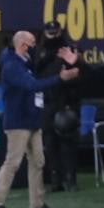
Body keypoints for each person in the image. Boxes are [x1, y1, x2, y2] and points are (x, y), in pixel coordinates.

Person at [0, 31, 78, 208]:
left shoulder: (25, 62)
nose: (34, 46)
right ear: (22, 44)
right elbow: (31, 86)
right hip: (17, 122)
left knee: (38, 161)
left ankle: (37, 203)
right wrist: (60, 79)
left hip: (32, 119)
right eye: (32, 42)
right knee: (12, 163)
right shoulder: (12, 66)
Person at [34, 21, 83, 192]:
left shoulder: (68, 49)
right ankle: (55, 179)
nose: (52, 35)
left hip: (66, 101)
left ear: (60, 31)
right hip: (47, 102)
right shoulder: (40, 51)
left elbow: (78, 75)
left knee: (68, 141)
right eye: (50, 32)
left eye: (55, 32)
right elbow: (35, 73)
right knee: (50, 142)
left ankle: (71, 178)